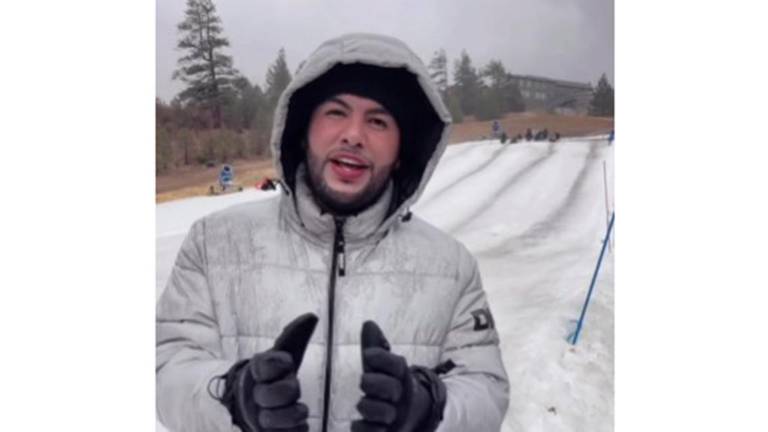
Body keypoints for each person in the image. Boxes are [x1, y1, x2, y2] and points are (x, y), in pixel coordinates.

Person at [156, 33, 509, 432]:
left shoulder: (453, 266)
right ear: (303, 130)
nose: (354, 135)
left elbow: (486, 388)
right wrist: (234, 397)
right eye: (336, 113)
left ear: (400, 153)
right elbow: (167, 370)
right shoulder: (214, 243)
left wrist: (428, 407)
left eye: (378, 121)